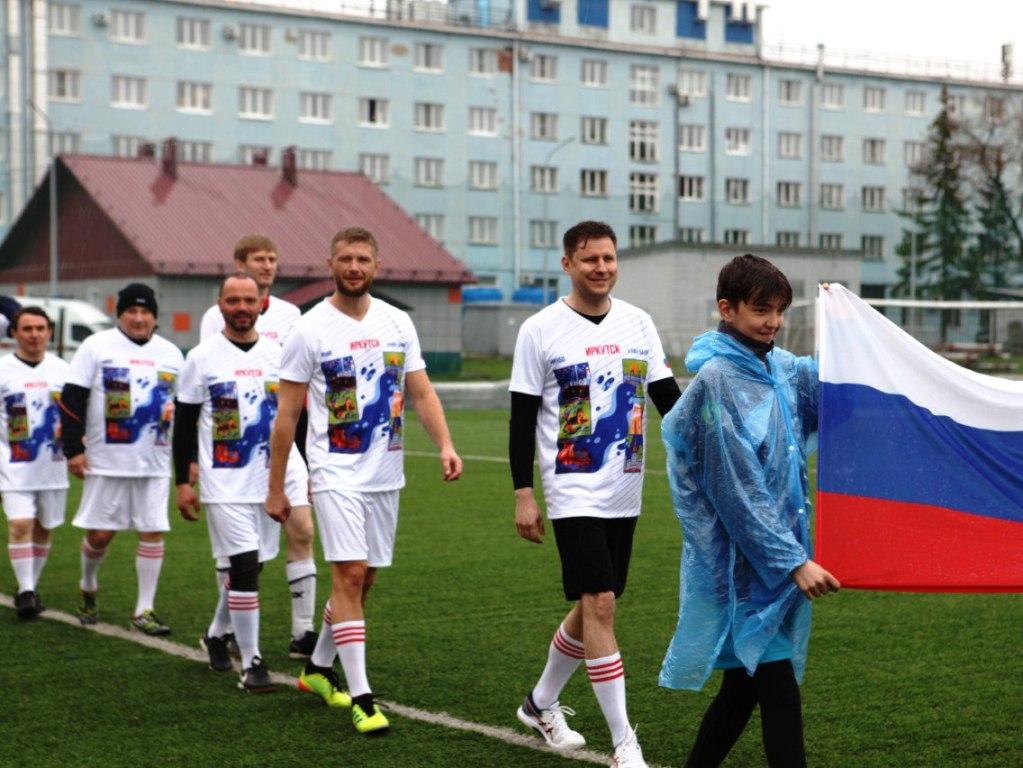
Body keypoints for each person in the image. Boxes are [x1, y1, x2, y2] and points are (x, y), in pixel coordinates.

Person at [266, 225, 463, 735]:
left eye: (362, 260)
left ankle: (315, 668)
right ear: (330, 264)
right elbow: (286, 415)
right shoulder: (309, 330)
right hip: (333, 471)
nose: (354, 267)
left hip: (385, 472)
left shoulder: (398, 322)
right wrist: (275, 485)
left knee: (365, 578)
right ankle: (362, 696)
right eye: (345, 259)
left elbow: (420, 392)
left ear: (376, 265)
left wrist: (444, 443)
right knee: (349, 575)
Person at [509, 220, 680, 768]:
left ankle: (539, 703)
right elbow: (521, 419)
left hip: (625, 488)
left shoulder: (639, 323)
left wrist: (706, 442)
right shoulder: (540, 329)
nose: (601, 268)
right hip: (572, 486)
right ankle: (625, 742)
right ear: (567, 264)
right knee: (600, 603)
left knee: (593, 608)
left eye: (608, 258)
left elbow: (666, 398)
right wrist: (523, 493)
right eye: (589, 260)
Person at [658, 255, 840, 768]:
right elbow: (736, 493)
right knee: (778, 691)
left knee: (742, 688)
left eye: (780, 310)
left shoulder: (778, 368)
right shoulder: (716, 382)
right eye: (762, 310)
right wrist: (792, 561)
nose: (774, 322)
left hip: (775, 561)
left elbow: (831, 388)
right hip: (746, 571)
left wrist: (849, 327)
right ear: (727, 309)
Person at [199, 234, 318, 659]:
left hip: (284, 443)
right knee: (246, 556)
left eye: (272, 259)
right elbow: (211, 384)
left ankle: (303, 632)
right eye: (258, 259)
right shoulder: (215, 320)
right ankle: (223, 630)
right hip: (235, 454)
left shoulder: (290, 315)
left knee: (302, 528)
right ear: (238, 264)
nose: (267, 266)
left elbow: (297, 383)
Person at [174, 273, 294, 692]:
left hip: (270, 480)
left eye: (249, 299)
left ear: (262, 303)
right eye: (232, 300)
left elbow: (298, 419)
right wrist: (182, 481)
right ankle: (253, 662)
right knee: (243, 565)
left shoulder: (281, 355)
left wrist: (306, 472)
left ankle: (214, 633)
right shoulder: (201, 358)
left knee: (254, 564)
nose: (241, 307)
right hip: (223, 481)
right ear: (219, 305)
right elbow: (185, 424)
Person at [60, 283, 184, 634]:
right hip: (106, 461)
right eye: (132, 311)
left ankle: (144, 609)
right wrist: (74, 450)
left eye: (146, 312)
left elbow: (187, 409)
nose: (139, 318)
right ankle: (88, 585)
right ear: (120, 313)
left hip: (155, 462)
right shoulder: (95, 347)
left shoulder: (173, 354)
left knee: (152, 530)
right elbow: (71, 400)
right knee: (100, 535)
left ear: (155, 317)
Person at [0, 307, 70, 618]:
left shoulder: (64, 371)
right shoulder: (3, 370)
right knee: (20, 524)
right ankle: (26, 591)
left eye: (40, 328)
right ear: (14, 333)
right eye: (27, 329)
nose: (34, 335)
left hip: (53, 464)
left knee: (44, 526)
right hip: (12, 462)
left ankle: (29, 586)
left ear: (49, 332)